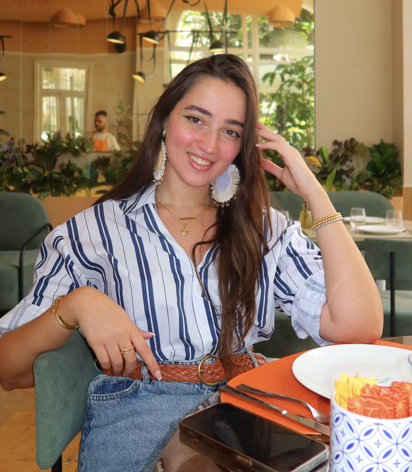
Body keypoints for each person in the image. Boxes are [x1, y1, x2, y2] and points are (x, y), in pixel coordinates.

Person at [0, 54, 383, 472]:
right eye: (196, 119)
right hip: (139, 415)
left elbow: (358, 325)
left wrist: (315, 194)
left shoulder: (262, 229)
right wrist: (77, 305)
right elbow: (9, 368)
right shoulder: (92, 232)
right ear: (165, 119)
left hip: (246, 407)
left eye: (230, 131)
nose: (210, 145)